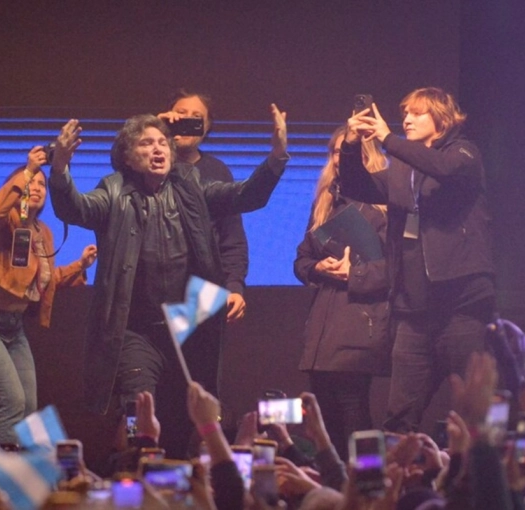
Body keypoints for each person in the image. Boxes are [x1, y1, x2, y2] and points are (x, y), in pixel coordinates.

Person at [48, 106, 288, 458]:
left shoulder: (190, 184)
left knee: (180, 422)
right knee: (137, 410)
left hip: (188, 326)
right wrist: (59, 168)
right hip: (136, 328)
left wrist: (276, 157)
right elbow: (75, 208)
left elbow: (245, 195)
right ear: (128, 157)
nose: (158, 149)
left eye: (163, 142)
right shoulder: (113, 191)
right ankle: (131, 473)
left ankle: (173, 482)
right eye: (146, 143)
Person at [340, 87, 495, 432]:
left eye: (416, 113)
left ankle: (483, 467)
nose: (407, 119)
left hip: (461, 307)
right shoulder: (403, 169)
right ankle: (397, 467)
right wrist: (351, 144)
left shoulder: (464, 153)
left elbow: (442, 168)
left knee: (478, 413)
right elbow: (355, 186)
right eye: (405, 113)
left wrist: (387, 139)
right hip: (414, 312)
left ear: (442, 118)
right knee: (398, 418)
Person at [0, 146, 97, 446]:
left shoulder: (43, 232)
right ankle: (0, 474)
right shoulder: (1, 221)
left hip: (12, 327)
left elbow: (42, 282)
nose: (37, 187)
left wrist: (80, 266)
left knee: (28, 407)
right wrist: (27, 170)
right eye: (31, 181)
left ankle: (19, 470)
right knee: (11, 400)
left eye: (42, 184)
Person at [293, 125, 391, 459]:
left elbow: (399, 270)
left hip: (359, 320)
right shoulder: (325, 204)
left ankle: (368, 481)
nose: (340, 159)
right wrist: (316, 268)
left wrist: (355, 273)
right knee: (325, 414)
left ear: (367, 156)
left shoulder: (384, 207)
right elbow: (301, 260)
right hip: (322, 326)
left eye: (348, 152)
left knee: (353, 410)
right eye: (335, 152)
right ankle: (334, 482)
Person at [158, 90, 249, 322]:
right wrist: (155, 131)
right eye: (181, 114)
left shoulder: (217, 171)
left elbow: (232, 236)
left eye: (196, 118)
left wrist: (234, 285)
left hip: (202, 294)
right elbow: (121, 163)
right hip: (151, 289)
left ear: (207, 127)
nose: (187, 120)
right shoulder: (148, 163)